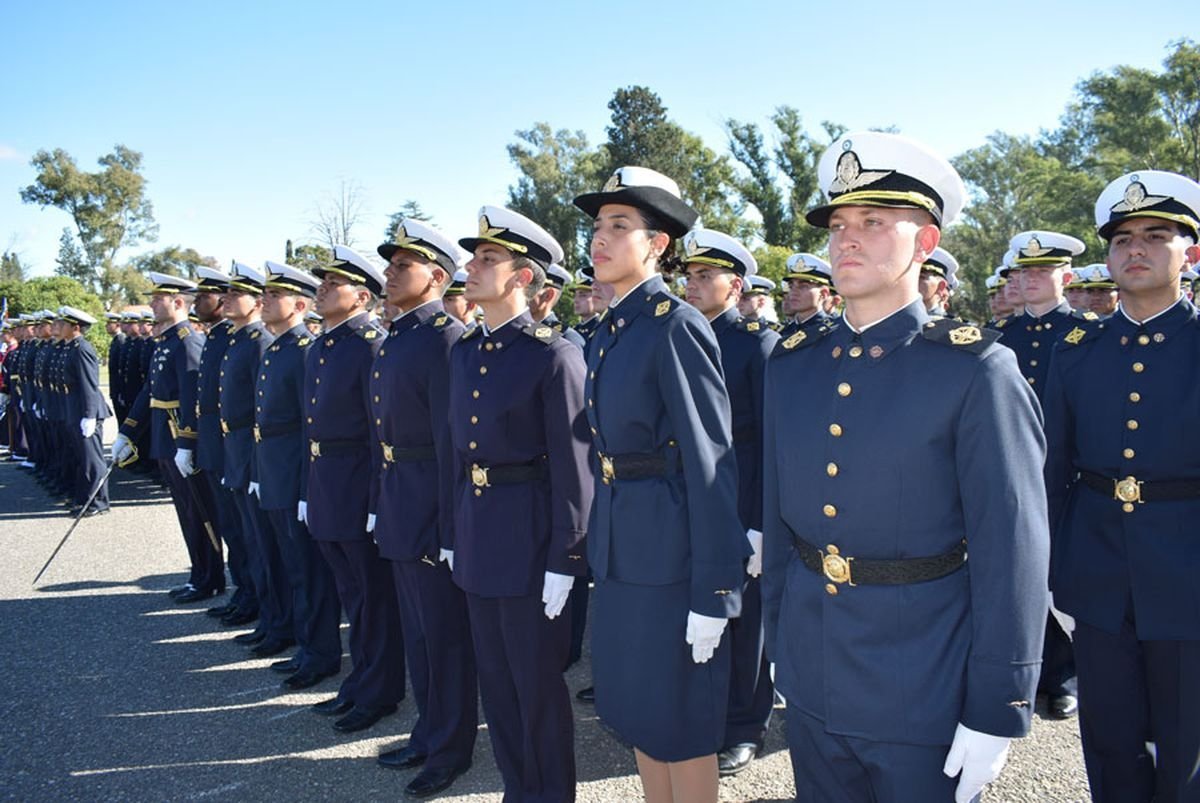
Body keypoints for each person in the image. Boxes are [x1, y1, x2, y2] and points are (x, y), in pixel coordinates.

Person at [761, 131, 1050, 803]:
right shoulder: (794, 362)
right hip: (813, 669)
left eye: (872, 221)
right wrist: (782, 641)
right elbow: (779, 516)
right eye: (838, 223)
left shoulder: (976, 370)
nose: (847, 239)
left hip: (923, 678)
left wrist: (997, 705)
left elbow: (1013, 546)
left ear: (924, 242)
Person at [573, 167, 748, 803]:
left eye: (620, 226)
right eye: (597, 226)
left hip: (672, 557)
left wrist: (715, 589)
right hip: (623, 546)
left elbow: (711, 462)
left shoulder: (675, 324)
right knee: (640, 709)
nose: (601, 238)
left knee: (681, 717)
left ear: (658, 244)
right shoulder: (612, 328)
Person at [1043, 169, 1200, 803]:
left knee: (1186, 736)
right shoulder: (1078, 346)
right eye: (1121, 239)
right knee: (1109, 734)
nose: (1134, 250)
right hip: (1097, 561)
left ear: (1189, 253)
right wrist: (1052, 568)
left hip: (1189, 565)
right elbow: (1052, 466)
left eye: (1154, 235)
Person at [447, 205, 592, 802]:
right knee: (497, 684)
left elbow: (575, 467)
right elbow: (457, 453)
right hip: (479, 531)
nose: (472, 267)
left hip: (531, 540)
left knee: (535, 687)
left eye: (487, 259)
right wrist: (453, 531)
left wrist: (567, 558)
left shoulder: (552, 355)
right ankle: (518, 790)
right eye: (473, 257)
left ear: (522, 278)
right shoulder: (464, 351)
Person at [369, 219, 478, 797]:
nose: (388, 273)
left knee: (444, 637)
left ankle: (451, 749)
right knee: (417, 633)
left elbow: (449, 442)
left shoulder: (444, 339)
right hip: (399, 499)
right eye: (389, 265)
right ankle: (427, 729)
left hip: (429, 505)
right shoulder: (399, 335)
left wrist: (446, 524)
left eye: (400, 266)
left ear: (436, 277)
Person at [681, 227, 780, 778]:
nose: (692, 285)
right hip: (693, 503)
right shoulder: (680, 334)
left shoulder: (755, 344)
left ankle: (745, 726)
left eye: (704, 277)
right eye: (688, 276)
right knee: (701, 613)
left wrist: (762, 523)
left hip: (742, 504)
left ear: (735, 285)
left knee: (744, 623)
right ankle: (706, 715)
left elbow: (768, 441)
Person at [303, 245, 406, 734]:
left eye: (331, 285)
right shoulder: (323, 345)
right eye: (321, 284)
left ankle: (380, 690)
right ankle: (359, 680)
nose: (320, 291)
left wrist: (374, 501)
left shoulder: (370, 343)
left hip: (357, 479)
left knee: (372, 596)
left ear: (361, 295)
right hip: (328, 479)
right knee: (351, 593)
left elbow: (377, 429)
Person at [256, 261, 342, 689]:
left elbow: (310, 423)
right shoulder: (278, 347)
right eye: (267, 295)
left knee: (309, 570)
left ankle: (321, 651)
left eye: (274, 296)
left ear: (298, 305)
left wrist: (307, 483)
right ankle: (307, 646)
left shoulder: (305, 347)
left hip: (295, 468)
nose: (265, 301)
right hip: (276, 467)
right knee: (294, 566)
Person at [113, 274, 223, 603]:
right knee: (185, 511)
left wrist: (188, 442)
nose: (151, 303)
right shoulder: (167, 340)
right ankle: (198, 573)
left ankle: (211, 576)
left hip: (180, 437)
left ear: (178, 303)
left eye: (157, 299)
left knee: (199, 511)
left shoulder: (188, 340)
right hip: (166, 436)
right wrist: (128, 430)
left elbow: (193, 398)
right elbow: (151, 391)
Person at [57, 306, 111, 517]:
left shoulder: (82, 348)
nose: (58, 327)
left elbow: (90, 384)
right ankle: (86, 498)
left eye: (63, 324)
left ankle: (99, 501)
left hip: (85, 410)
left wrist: (89, 415)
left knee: (93, 459)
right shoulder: (72, 347)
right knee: (82, 458)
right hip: (75, 409)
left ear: (75, 327)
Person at [779, 253, 834, 338]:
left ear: (823, 293)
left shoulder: (833, 332)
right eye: (791, 286)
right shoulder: (782, 332)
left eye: (803, 286)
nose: (794, 291)